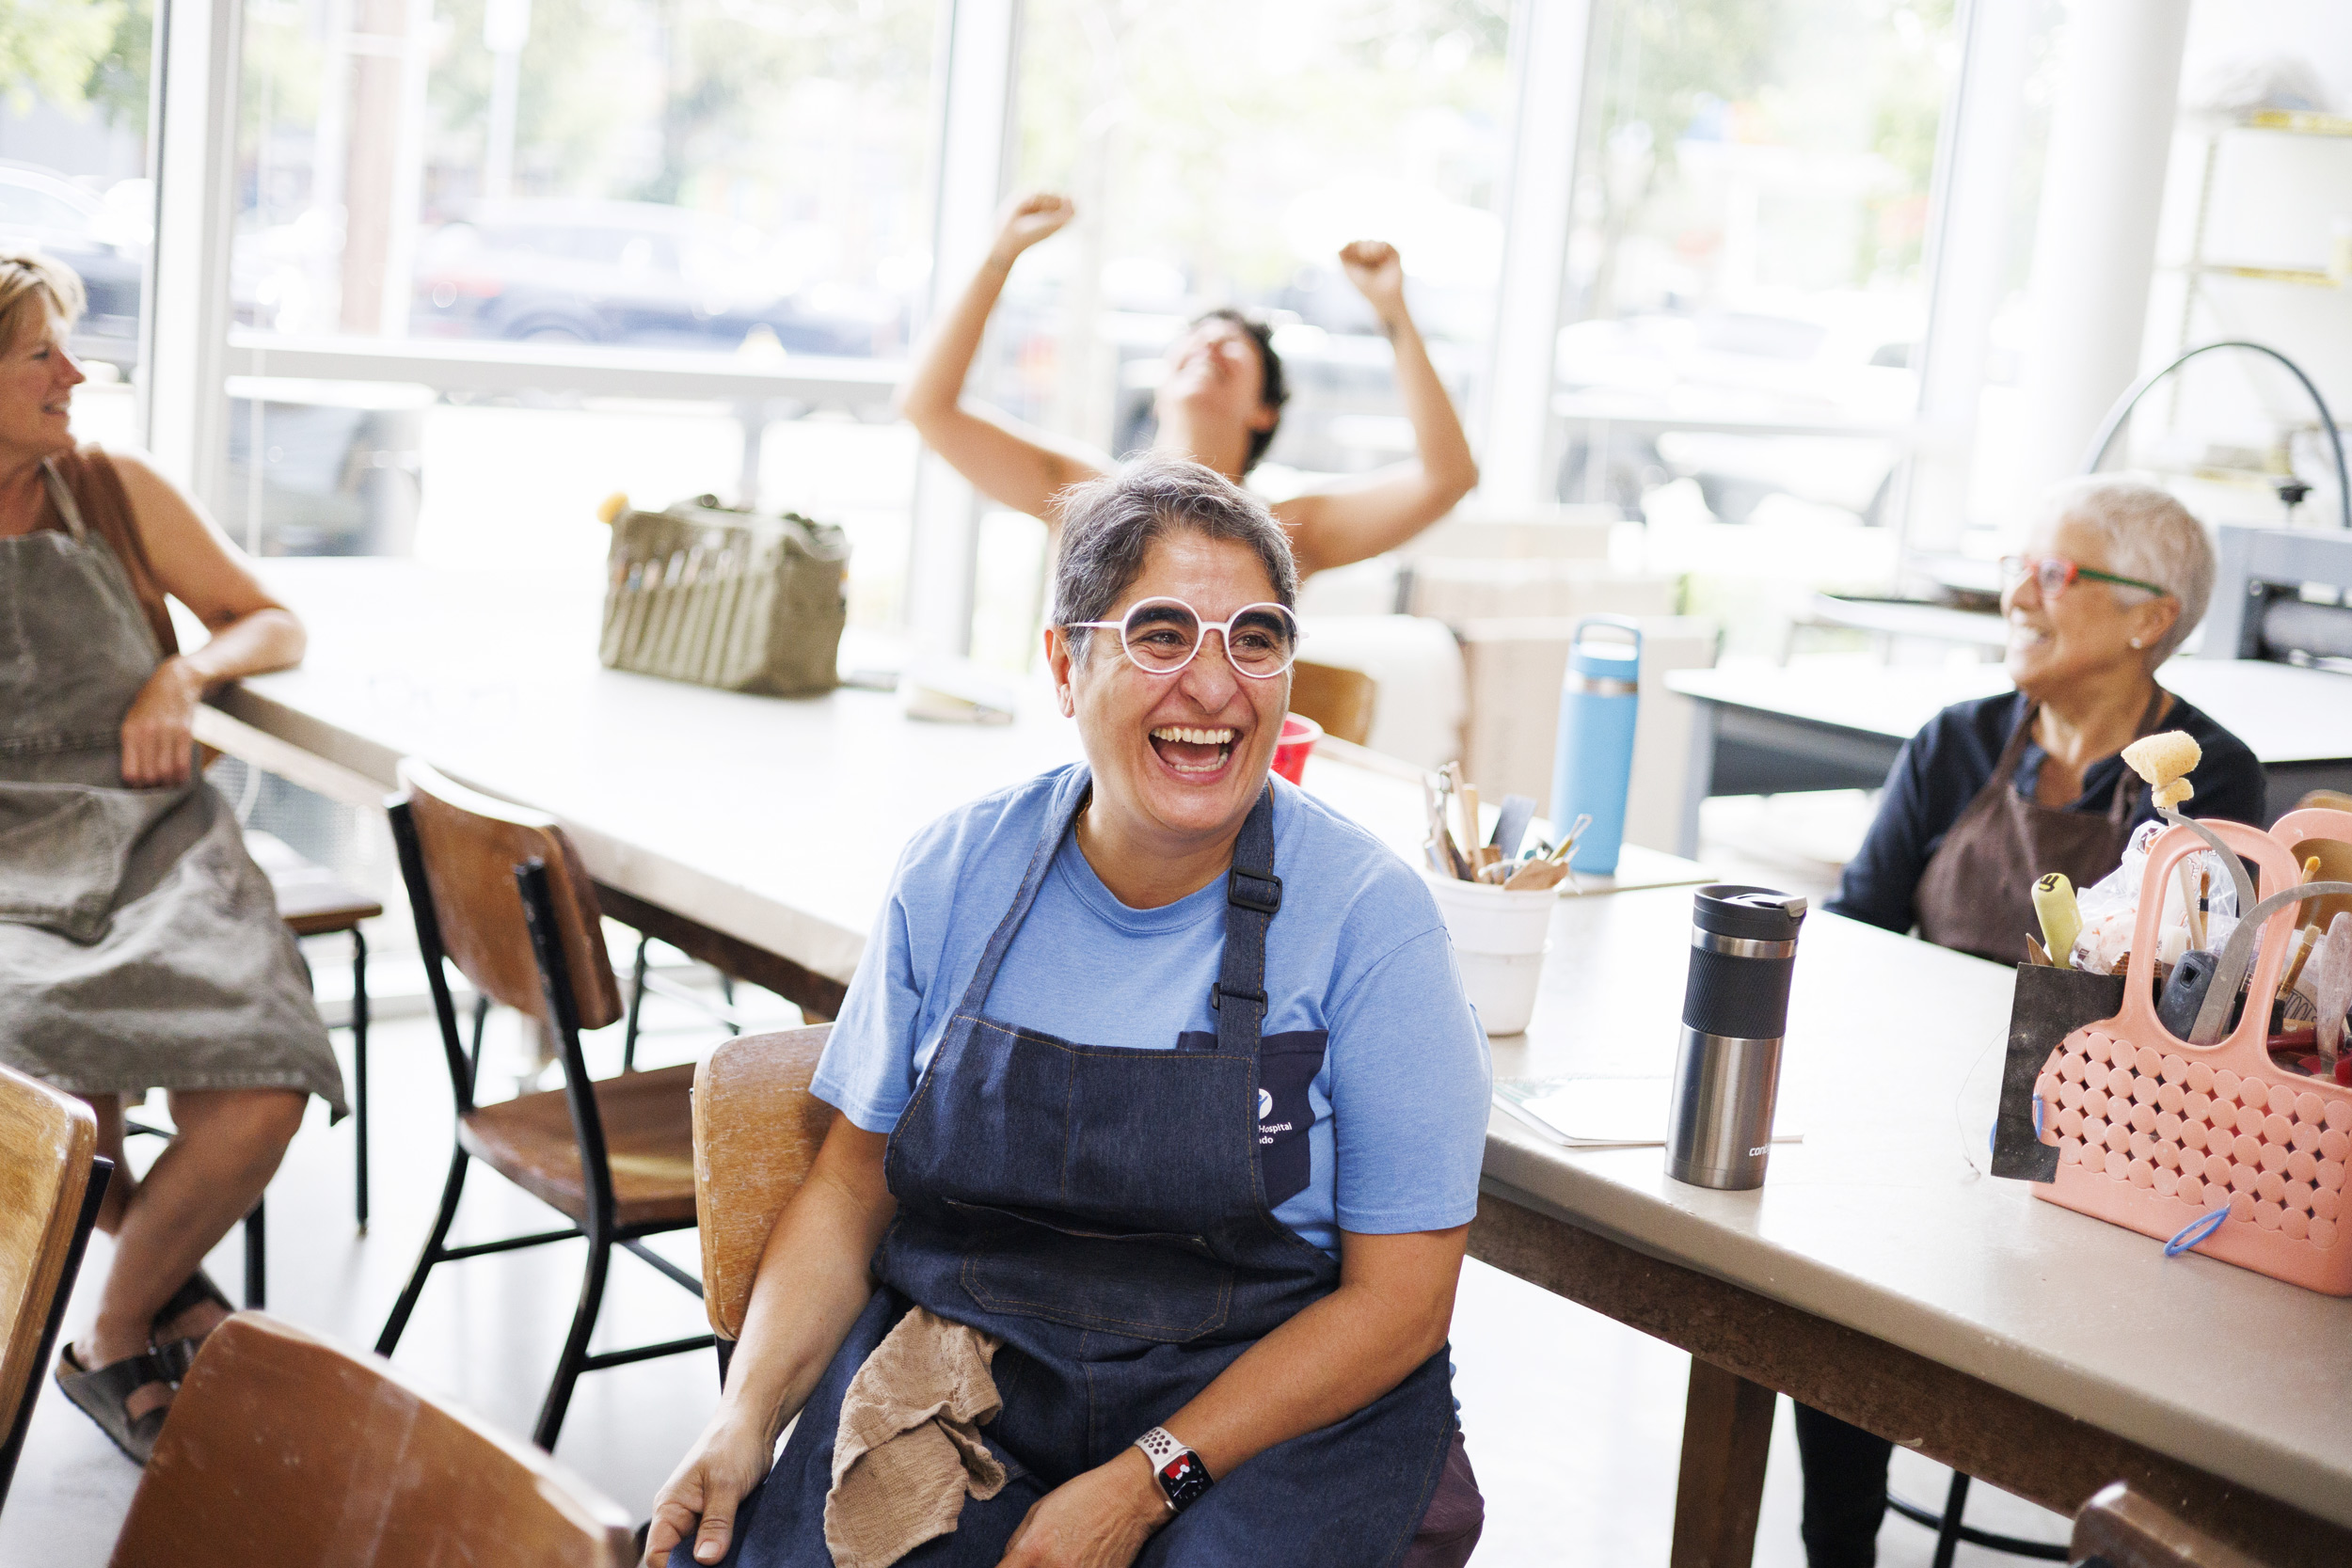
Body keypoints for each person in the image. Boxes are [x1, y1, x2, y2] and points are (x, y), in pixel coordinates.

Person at [644, 455, 1492, 1568]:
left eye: (1256, 636)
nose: (1214, 682)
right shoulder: (956, 874)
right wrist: (741, 1414)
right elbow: (852, 1187)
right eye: (1158, 632)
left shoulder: (1368, 922)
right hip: (994, 1372)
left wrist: (1146, 1481)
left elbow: (1400, 1304)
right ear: (1063, 661)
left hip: (1266, 1411)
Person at [1800, 476, 2265, 1567]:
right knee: (1830, 1303)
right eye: (2016, 565)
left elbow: (2212, 1010)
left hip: (2105, 1166)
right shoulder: (1953, 742)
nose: (2016, 592)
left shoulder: (2208, 779)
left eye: (2050, 572)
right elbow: (1853, 931)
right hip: (1920, 1135)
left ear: (2148, 615)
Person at [0, 250, 345, 1464]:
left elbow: (274, 617)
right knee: (63, 1120)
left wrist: (180, 670)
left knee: (265, 1075)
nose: (72, 371)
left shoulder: (109, 488)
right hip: (6, 868)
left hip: (155, 834)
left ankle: (112, 1328)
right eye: (40, 351)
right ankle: (171, 1301)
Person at [895, 192, 1480, 578]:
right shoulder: (1083, 496)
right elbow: (928, 407)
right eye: (1195, 336)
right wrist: (1001, 255)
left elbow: (1448, 478)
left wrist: (1392, 312)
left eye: (1235, 347)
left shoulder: (1288, 534)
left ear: (1264, 411)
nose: (1209, 344)